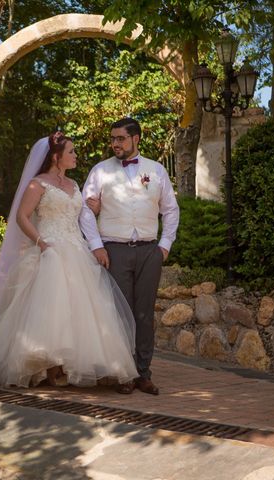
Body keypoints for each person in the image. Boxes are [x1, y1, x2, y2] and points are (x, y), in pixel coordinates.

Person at [0, 132, 138, 389]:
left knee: (81, 309)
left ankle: (70, 365)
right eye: (71, 152)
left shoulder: (74, 185)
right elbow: (22, 216)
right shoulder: (37, 184)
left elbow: (79, 214)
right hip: (51, 249)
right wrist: (41, 242)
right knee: (52, 308)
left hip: (76, 250)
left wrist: (94, 209)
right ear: (56, 156)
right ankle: (46, 367)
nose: (75, 156)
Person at [80, 117, 180, 395]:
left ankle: (143, 374)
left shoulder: (156, 170)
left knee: (144, 315)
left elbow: (170, 209)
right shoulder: (100, 171)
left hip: (150, 251)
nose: (115, 144)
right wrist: (96, 245)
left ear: (136, 139)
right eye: (112, 139)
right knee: (119, 314)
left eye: (120, 138)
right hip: (114, 251)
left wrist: (165, 245)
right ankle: (122, 373)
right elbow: (85, 210)